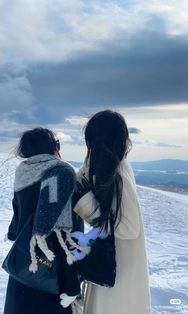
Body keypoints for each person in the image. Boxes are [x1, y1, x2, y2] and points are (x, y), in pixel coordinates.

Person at [72, 110, 152, 314]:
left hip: (121, 270)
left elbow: (129, 228)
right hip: (108, 264)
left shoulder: (118, 174)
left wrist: (85, 203)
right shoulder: (99, 167)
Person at [3, 127, 84, 314]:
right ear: (53, 147)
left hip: (23, 269)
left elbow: (16, 228)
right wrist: (72, 285)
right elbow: (64, 234)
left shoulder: (23, 172)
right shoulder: (60, 172)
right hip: (51, 275)